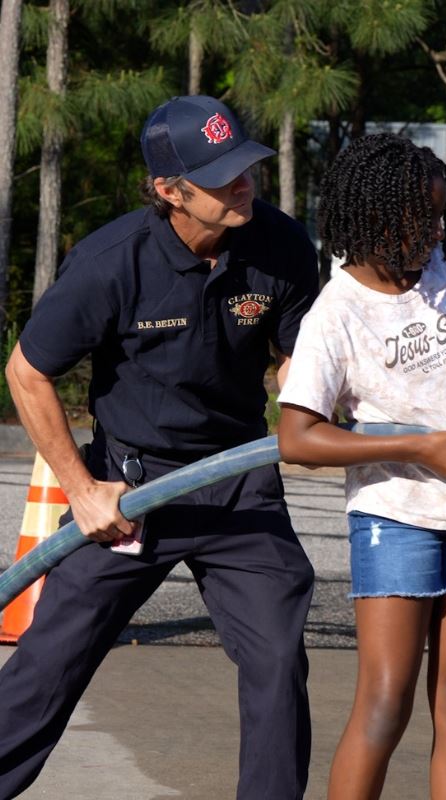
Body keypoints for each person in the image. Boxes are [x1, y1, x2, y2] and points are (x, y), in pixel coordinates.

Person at [0, 95, 318, 800]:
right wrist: (83, 491)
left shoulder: (283, 244)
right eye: (223, 177)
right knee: (47, 667)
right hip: (129, 491)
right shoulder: (111, 262)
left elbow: (296, 357)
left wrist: (308, 405)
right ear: (170, 192)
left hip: (239, 486)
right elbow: (26, 371)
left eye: (247, 168)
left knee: (276, 658)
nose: (246, 185)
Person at [277, 133, 446, 800]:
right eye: (418, 220)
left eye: (438, 217)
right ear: (371, 219)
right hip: (393, 516)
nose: (434, 232)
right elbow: (298, 437)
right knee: (387, 701)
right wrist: (414, 448)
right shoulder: (337, 314)